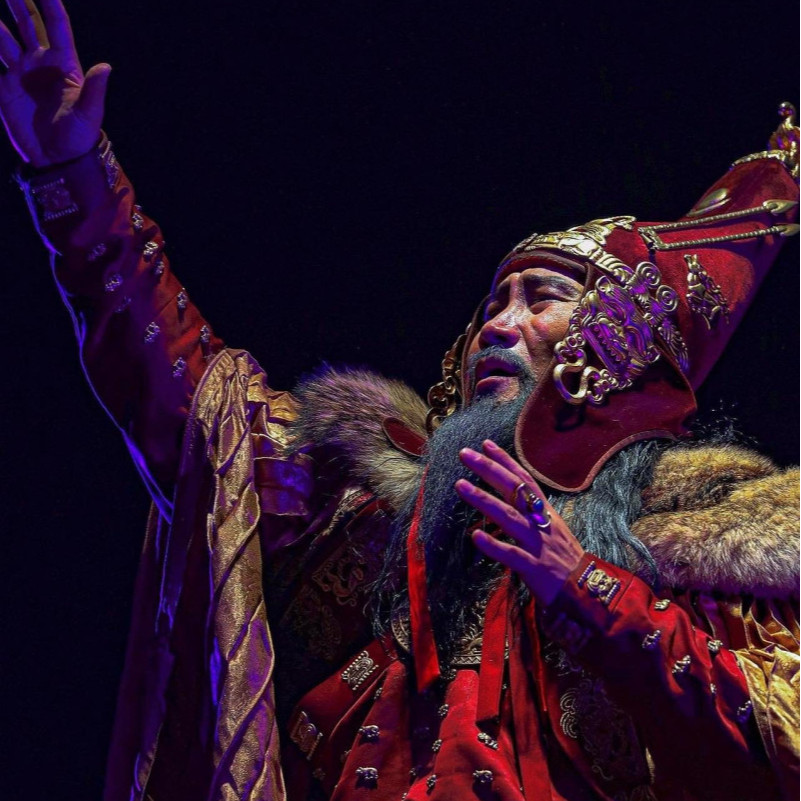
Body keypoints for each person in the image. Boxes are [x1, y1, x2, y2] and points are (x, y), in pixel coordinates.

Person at [2, 2, 798, 800]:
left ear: (627, 346)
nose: (497, 325)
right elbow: (192, 401)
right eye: (493, 303)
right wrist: (73, 180)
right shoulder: (374, 509)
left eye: (542, 298)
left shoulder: (712, 545)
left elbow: (778, 745)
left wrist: (582, 586)